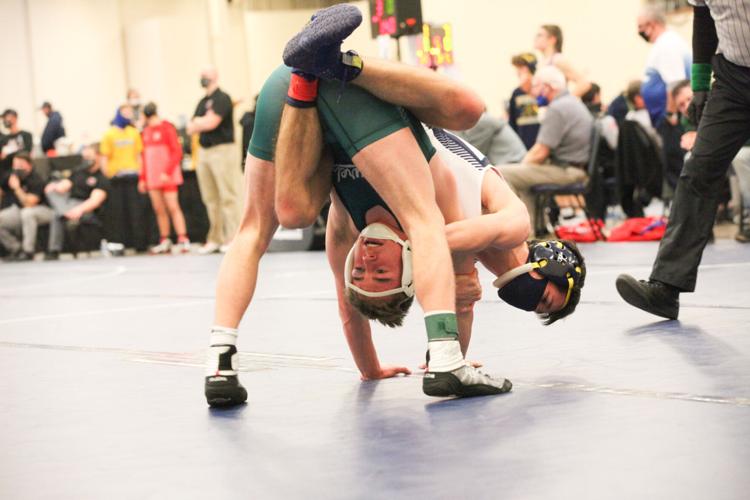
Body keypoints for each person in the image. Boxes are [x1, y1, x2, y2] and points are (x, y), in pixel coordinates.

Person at [203, 5, 493, 407]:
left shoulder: (342, 232)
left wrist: (370, 369)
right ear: (411, 265)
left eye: (360, 271)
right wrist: (450, 352)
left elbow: (347, 311)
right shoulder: (441, 216)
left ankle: (219, 363)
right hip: (359, 93)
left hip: (289, 94)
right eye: (380, 272)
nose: (367, 259)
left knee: (279, 219)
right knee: (469, 110)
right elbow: (463, 286)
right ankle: (342, 62)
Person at [616, 0, 750, 319]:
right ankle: (665, 287)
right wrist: (700, 86)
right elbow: (703, 19)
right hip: (731, 79)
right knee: (698, 169)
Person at [498, 65, 593, 230]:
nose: (532, 92)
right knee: (524, 176)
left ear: (548, 87)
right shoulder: (571, 102)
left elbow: (540, 152)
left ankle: (522, 232)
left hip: (567, 171)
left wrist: (520, 166)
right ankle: (536, 230)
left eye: (536, 86)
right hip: (575, 168)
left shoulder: (557, 108)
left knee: (502, 173)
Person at [187, 67, 243, 255]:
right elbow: (190, 127)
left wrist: (200, 123)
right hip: (204, 151)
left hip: (222, 151)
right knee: (210, 198)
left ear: (215, 77)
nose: (202, 78)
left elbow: (212, 123)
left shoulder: (222, 98)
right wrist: (201, 122)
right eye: (201, 75)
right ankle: (215, 238)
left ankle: (233, 237)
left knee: (228, 195)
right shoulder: (202, 102)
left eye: (206, 76)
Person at [138, 102, 190, 254]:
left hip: (167, 176)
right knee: (159, 209)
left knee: (173, 207)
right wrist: (143, 177)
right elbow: (144, 156)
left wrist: (167, 172)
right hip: (152, 176)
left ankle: (182, 239)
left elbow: (176, 152)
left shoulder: (167, 128)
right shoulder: (145, 131)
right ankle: (164, 239)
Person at [43, 144, 109, 260]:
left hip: (85, 207)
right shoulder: (78, 172)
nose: (86, 160)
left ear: (98, 156)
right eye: (85, 157)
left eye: (89, 157)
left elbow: (95, 201)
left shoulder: (101, 177)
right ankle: (64, 213)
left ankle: (54, 250)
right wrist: (55, 186)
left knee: (56, 215)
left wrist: (78, 210)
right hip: (68, 204)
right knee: (51, 191)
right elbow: (64, 186)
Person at [100, 104, 148, 252]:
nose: (128, 115)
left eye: (130, 112)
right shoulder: (109, 134)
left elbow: (139, 155)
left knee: (136, 212)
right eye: (125, 112)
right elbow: (104, 157)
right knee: (119, 214)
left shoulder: (134, 133)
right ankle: (120, 245)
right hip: (116, 179)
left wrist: (142, 177)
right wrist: (108, 175)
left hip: (133, 177)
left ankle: (140, 244)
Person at [637, 5, 691, 127]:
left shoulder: (667, 45)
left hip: (671, 120)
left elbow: (676, 84)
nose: (639, 31)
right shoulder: (665, 43)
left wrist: (670, 114)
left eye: (640, 26)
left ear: (652, 24)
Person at [0, 152, 52, 261]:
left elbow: (29, 204)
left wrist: (17, 188)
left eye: (20, 165)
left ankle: (28, 251)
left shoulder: (36, 179)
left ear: (29, 165)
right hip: (19, 210)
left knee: (27, 213)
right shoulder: (12, 176)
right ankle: (16, 248)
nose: (17, 168)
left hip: (43, 210)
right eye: (15, 165)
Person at [533, 24, 591, 97]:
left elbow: (584, 83)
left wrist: (566, 101)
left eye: (540, 35)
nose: (535, 38)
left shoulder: (558, 60)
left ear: (552, 39)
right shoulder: (542, 63)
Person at [454, 112, 526, 166]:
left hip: (513, 164)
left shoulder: (482, 121)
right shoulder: (486, 119)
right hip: (514, 164)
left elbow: (470, 154)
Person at [508, 53, 541, 149]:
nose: (518, 72)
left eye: (521, 68)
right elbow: (513, 121)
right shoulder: (517, 93)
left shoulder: (542, 91)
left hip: (538, 145)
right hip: (521, 145)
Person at [0, 109, 33, 175]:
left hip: (24, 171)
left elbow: (27, 152)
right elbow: (2, 157)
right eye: (3, 118)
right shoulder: (4, 139)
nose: (5, 120)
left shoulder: (26, 135)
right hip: (7, 172)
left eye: (6, 117)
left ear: (15, 118)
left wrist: (8, 155)